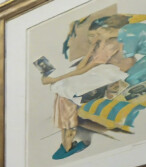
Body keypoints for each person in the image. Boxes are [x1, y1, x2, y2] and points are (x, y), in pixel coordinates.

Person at [41, 21, 132, 159]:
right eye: (92, 35)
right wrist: (92, 46)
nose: (93, 37)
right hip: (88, 76)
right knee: (63, 92)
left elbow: (83, 69)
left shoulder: (110, 47)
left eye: (97, 34)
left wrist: (55, 79)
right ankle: (66, 142)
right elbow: (82, 66)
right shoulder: (100, 46)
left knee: (65, 93)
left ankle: (67, 145)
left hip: (93, 78)